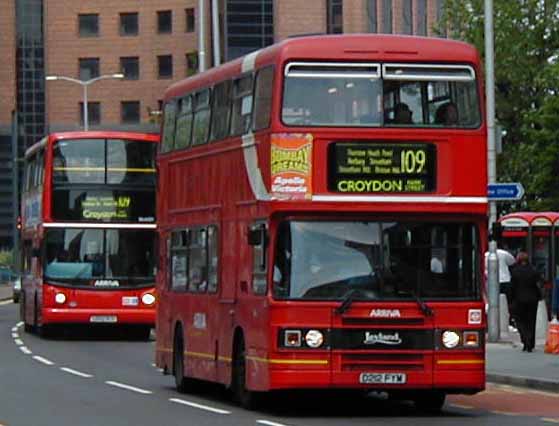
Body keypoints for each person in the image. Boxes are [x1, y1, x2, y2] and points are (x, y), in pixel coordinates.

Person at [510, 251, 542, 352]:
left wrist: (510, 299)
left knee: (520, 321)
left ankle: (525, 339)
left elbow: (512, 287)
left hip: (519, 299)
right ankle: (530, 343)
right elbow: (539, 283)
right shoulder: (533, 270)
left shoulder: (515, 272)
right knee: (531, 321)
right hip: (532, 299)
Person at [485, 246, 516, 327]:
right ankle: (509, 321)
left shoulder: (486, 255)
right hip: (505, 280)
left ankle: (493, 321)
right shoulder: (504, 253)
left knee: (492, 302)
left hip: (491, 282)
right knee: (507, 302)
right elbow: (512, 261)